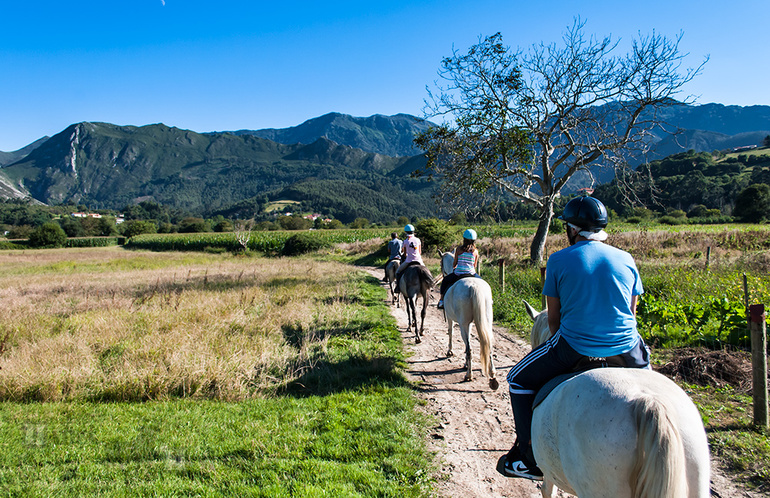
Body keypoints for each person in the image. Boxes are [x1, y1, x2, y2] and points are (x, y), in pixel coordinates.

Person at [502, 195, 650, 481]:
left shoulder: (558, 260)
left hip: (575, 345)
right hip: (627, 346)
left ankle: (528, 460)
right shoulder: (627, 258)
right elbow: (632, 313)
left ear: (572, 229)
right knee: (654, 389)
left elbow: (554, 319)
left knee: (517, 379)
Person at [437, 229, 481, 309]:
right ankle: (488, 300)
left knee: (445, 281)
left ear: (464, 239)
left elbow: (455, 263)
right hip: (471, 274)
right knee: (482, 282)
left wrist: (454, 266)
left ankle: (442, 300)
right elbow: (474, 266)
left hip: (458, 274)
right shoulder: (476, 252)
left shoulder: (459, 249)